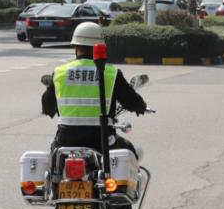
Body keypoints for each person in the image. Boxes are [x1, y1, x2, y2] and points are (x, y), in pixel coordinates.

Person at [41, 22, 146, 157]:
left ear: (75, 46)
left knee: (52, 166)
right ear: (101, 47)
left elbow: (47, 106)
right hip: (102, 141)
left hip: (66, 141)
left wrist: (50, 110)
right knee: (131, 154)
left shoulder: (60, 72)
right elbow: (131, 101)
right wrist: (140, 107)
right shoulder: (111, 73)